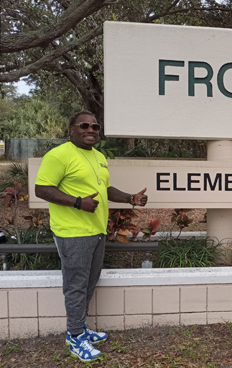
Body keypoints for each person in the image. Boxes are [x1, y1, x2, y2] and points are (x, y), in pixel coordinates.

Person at [35, 111, 148, 362]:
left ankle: (79, 328)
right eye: (84, 125)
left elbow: (103, 188)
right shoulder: (59, 155)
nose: (91, 130)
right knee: (76, 285)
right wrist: (77, 202)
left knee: (89, 282)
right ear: (71, 128)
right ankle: (76, 337)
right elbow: (41, 189)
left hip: (96, 230)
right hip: (72, 232)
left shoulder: (98, 156)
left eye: (95, 127)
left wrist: (130, 198)